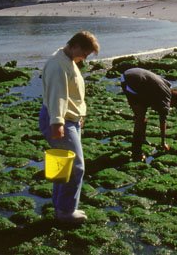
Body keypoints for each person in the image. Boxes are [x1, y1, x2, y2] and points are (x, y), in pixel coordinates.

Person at [39, 31, 100, 223]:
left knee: (64, 166)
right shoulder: (58, 66)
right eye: (85, 53)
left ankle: (59, 206)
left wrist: (79, 115)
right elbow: (58, 96)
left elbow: (72, 95)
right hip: (60, 119)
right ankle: (66, 211)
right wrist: (57, 123)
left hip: (70, 119)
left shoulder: (68, 60)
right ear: (75, 46)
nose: (85, 58)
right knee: (76, 167)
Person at [120, 68, 177, 162]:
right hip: (132, 81)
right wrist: (163, 143)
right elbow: (163, 121)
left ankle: (142, 139)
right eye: (173, 106)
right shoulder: (166, 97)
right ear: (173, 101)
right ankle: (136, 153)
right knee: (140, 117)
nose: (170, 107)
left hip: (130, 73)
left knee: (143, 110)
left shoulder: (166, 86)